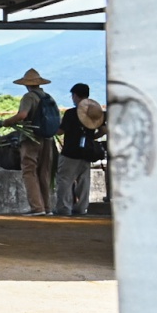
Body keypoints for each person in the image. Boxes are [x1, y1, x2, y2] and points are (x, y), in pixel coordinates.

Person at [8, 68, 60, 215]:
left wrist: (6, 122)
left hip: (31, 138)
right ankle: (47, 207)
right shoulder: (49, 97)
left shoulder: (29, 97)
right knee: (44, 172)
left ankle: (37, 207)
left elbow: (22, 115)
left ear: (27, 84)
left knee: (29, 171)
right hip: (48, 138)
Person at [56, 85, 105, 217]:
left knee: (65, 180)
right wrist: (92, 137)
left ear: (76, 96)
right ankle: (82, 208)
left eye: (73, 96)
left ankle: (64, 208)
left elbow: (61, 131)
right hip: (87, 152)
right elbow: (104, 130)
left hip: (70, 152)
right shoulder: (94, 113)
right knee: (84, 181)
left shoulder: (71, 113)